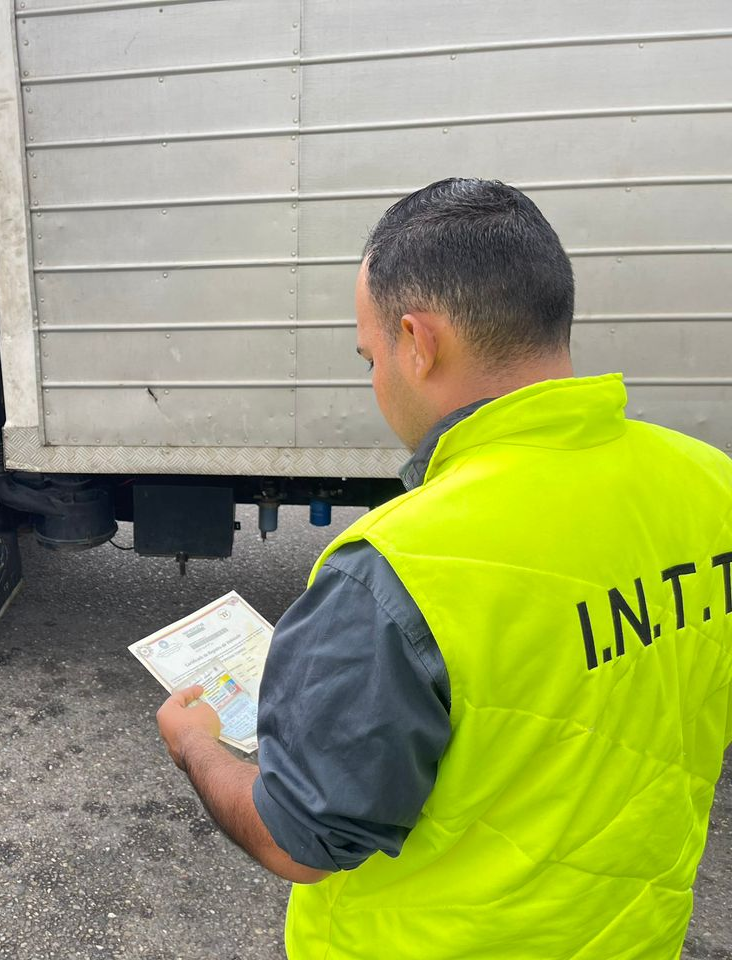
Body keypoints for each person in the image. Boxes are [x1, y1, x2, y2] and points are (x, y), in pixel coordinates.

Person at [156, 178, 732, 959]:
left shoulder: (397, 569)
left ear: (418, 342)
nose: (373, 381)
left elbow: (299, 843)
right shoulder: (710, 484)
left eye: (369, 356)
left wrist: (195, 740)